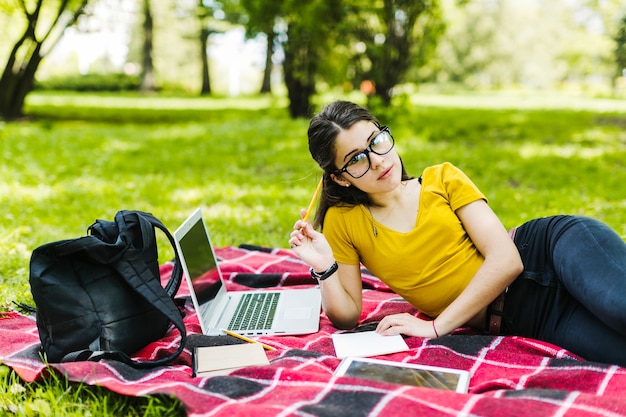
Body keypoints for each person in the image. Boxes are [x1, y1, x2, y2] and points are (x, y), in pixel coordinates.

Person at [288, 100, 626, 366]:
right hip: (531, 318)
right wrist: (323, 266)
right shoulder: (345, 221)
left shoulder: (442, 178)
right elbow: (346, 317)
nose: (376, 160)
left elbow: (508, 260)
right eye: (356, 159)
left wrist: (435, 327)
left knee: (620, 307)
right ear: (340, 178)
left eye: (376, 141)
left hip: (552, 251)